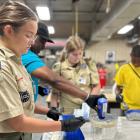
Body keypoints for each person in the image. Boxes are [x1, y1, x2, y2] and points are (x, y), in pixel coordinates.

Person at [0, 1, 89, 140]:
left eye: (34, 36)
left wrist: (48, 111)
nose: (32, 41)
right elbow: (16, 122)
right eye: (28, 35)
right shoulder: (3, 66)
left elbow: (22, 104)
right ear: (8, 30)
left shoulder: (17, 61)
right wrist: (62, 125)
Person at [51, 35, 101, 114]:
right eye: (74, 54)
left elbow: (96, 86)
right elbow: (55, 93)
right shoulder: (59, 67)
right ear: (67, 53)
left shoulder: (89, 64)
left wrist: (90, 100)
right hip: (68, 111)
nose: (78, 57)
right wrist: (53, 109)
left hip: (86, 110)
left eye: (80, 53)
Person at [114, 45, 140, 114]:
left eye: (139, 61)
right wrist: (117, 95)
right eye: (134, 61)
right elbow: (118, 88)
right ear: (131, 55)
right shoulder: (124, 69)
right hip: (127, 109)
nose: (136, 64)